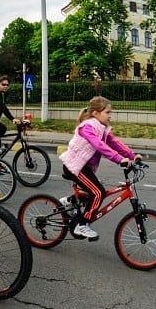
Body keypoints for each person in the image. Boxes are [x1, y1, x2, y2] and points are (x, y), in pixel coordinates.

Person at [59, 97, 142, 239]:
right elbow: (99, 145)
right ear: (96, 114)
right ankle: (82, 225)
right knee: (98, 192)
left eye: (111, 112)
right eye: (107, 112)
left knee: (93, 190)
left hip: (84, 167)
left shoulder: (102, 128)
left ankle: (69, 201)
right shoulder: (87, 127)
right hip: (75, 166)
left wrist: (132, 156)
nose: (110, 115)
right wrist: (119, 159)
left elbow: (114, 143)